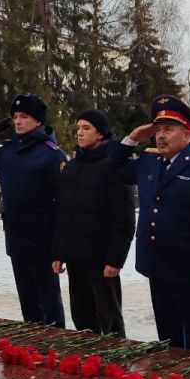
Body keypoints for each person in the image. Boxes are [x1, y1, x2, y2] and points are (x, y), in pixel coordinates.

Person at [115, 95, 190, 352]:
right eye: (158, 130)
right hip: (157, 265)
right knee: (168, 339)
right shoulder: (148, 160)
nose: (161, 136)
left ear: (187, 134)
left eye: (169, 129)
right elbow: (113, 170)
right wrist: (132, 138)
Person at [0, 93, 67, 327]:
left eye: (24, 116)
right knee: (27, 301)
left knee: (49, 301)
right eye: (15, 116)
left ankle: (57, 347)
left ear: (38, 121)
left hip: (42, 239)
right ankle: (34, 346)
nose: (17, 121)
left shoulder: (51, 155)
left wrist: (59, 247)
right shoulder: (9, 151)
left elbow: (64, 204)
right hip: (16, 236)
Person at [52, 110, 135, 335]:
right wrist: (59, 252)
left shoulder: (113, 167)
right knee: (82, 318)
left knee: (109, 320)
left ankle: (116, 366)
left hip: (102, 262)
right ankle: (88, 361)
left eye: (86, 128)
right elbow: (63, 214)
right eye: (78, 128)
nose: (79, 133)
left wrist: (115, 259)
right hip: (76, 259)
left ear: (100, 134)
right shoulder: (71, 167)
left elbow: (125, 219)